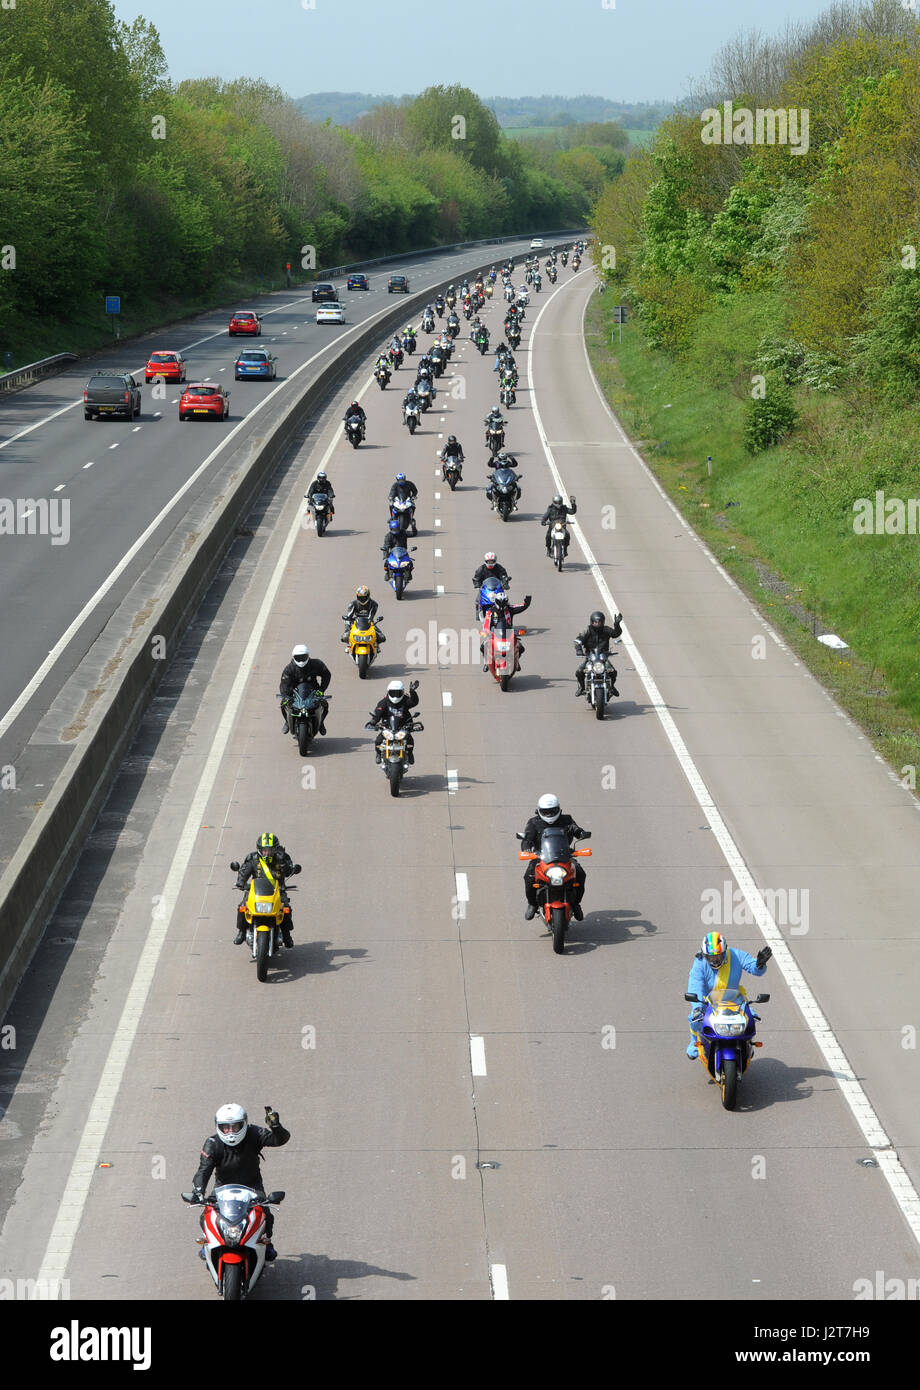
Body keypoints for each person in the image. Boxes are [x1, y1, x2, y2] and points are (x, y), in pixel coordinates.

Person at [191, 1103, 290, 1260]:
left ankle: (266, 1243)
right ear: (218, 1126)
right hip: (222, 1187)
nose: (230, 1132)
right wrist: (198, 1191)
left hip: (252, 1185)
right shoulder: (212, 1143)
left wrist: (276, 1126)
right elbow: (203, 1171)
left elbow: (280, 1140)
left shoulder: (254, 1133)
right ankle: (208, 1241)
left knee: (266, 1214)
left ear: (243, 1124)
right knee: (206, 1214)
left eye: (235, 1127)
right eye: (226, 1127)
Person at [686, 935, 772, 1058]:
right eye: (711, 957)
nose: (715, 960)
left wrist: (759, 965)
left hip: (734, 999)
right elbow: (695, 985)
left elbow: (752, 967)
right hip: (708, 1001)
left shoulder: (735, 955)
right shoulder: (700, 962)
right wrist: (698, 1006)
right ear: (705, 955)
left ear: (725, 952)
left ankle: (747, 1044)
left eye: (718, 956)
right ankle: (694, 1042)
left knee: (751, 1019)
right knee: (695, 1020)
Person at [519, 795, 590, 921]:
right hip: (541, 857)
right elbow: (527, 837)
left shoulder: (566, 819)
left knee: (580, 873)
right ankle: (532, 904)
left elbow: (575, 829)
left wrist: (581, 833)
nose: (549, 814)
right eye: (546, 812)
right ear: (539, 810)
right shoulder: (534, 822)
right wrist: (527, 848)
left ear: (558, 809)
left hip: (565, 856)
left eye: (552, 811)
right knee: (528, 877)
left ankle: (576, 903)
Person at [234, 832, 297, 947]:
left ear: (275, 849)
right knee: (242, 907)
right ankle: (242, 932)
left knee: (286, 908)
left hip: (278, 891)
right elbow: (244, 871)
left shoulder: (282, 857)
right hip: (256, 891)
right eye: (264, 850)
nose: (267, 853)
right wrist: (241, 882)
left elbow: (289, 871)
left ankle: (287, 935)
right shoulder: (252, 858)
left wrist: (283, 862)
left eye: (270, 850)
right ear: (259, 849)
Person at [279, 644, 330, 737]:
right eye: (298, 657)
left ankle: (321, 723)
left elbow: (327, 675)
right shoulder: (289, 668)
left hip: (313, 690)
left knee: (325, 704)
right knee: (283, 704)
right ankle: (287, 721)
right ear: (293, 657)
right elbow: (284, 683)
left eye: (303, 657)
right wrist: (286, 695)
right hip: (294, 692)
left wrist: (321, 690)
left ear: (308, 655)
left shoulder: (316, 664)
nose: (301, 660)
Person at [367, 680, 420, 764]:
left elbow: (414, 702)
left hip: (403, 726)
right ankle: (378, 753)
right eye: (393, 693)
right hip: (388, 727)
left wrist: (412, 692)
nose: (395, 696)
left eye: (398, 693)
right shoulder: (384, 702)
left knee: (410, 740)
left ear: (402, 692)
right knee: (378, 741)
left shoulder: (405, 700)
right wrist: (372, 722)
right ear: (388, 692)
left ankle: (410, 754)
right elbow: (378, 712)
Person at [575, 611, 622, 697]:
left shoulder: (606, 629)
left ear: (603, 622)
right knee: (579, 672)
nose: (597, 624)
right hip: (590, 657)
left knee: (613, 672)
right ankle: (581, 688)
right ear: (592, 622)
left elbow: (616, 634)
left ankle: (612, 687)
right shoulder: (587, 630)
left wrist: (617, 624)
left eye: (599, 622)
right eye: (595, 622)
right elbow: (578, 640)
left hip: (603, 657)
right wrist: (579, 650)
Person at [481, 590, 530, 670]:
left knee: (521, 648)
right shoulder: (491, 611)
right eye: (500, 602)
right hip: (494, 635)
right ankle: (487, 662)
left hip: (509, 634)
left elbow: (520, 607)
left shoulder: (510, 609)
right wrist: (486, 631)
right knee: (483, 646)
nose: (502, 604)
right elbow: (487, 623)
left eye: (504, 602)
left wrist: (526, 604)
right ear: (496, 601)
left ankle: (516, 661)